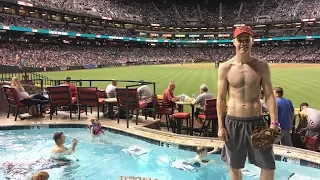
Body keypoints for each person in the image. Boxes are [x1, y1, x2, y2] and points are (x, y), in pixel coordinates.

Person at [217, 25, 279, 180]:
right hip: (233, 122)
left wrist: (274, 123)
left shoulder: (262, 66)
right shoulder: (225, 67)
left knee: (268, 164)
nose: (243, 43)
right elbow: (221, 98)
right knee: (235, 166)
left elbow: (270, 95)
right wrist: (220, 126)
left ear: (252, 41)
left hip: (257, 123)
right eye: (240, 40)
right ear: (234, 42)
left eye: (247, 39)